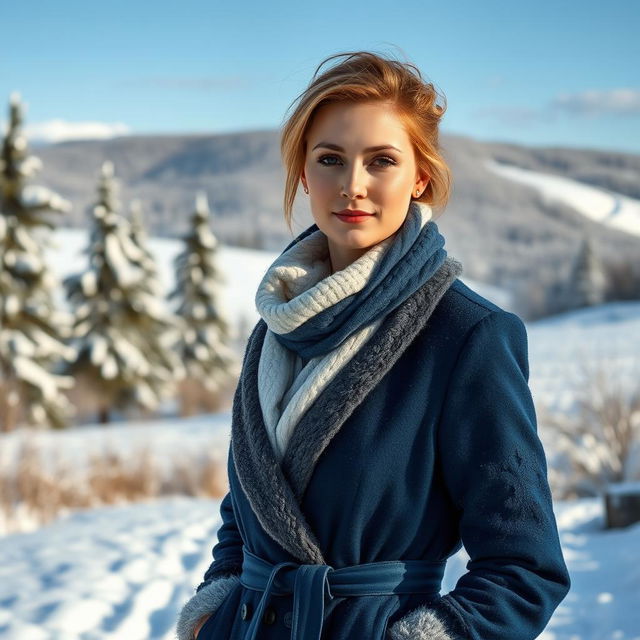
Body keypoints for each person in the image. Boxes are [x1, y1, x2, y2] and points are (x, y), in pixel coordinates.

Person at [176, 50, 571, 640]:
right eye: (329, 159)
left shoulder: (467, 336)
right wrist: (216, 608)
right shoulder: (278, 328)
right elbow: (253, 505)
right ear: (304, 174)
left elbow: (524, 567)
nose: (352, 186)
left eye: (381, 160)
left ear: (420, 177)